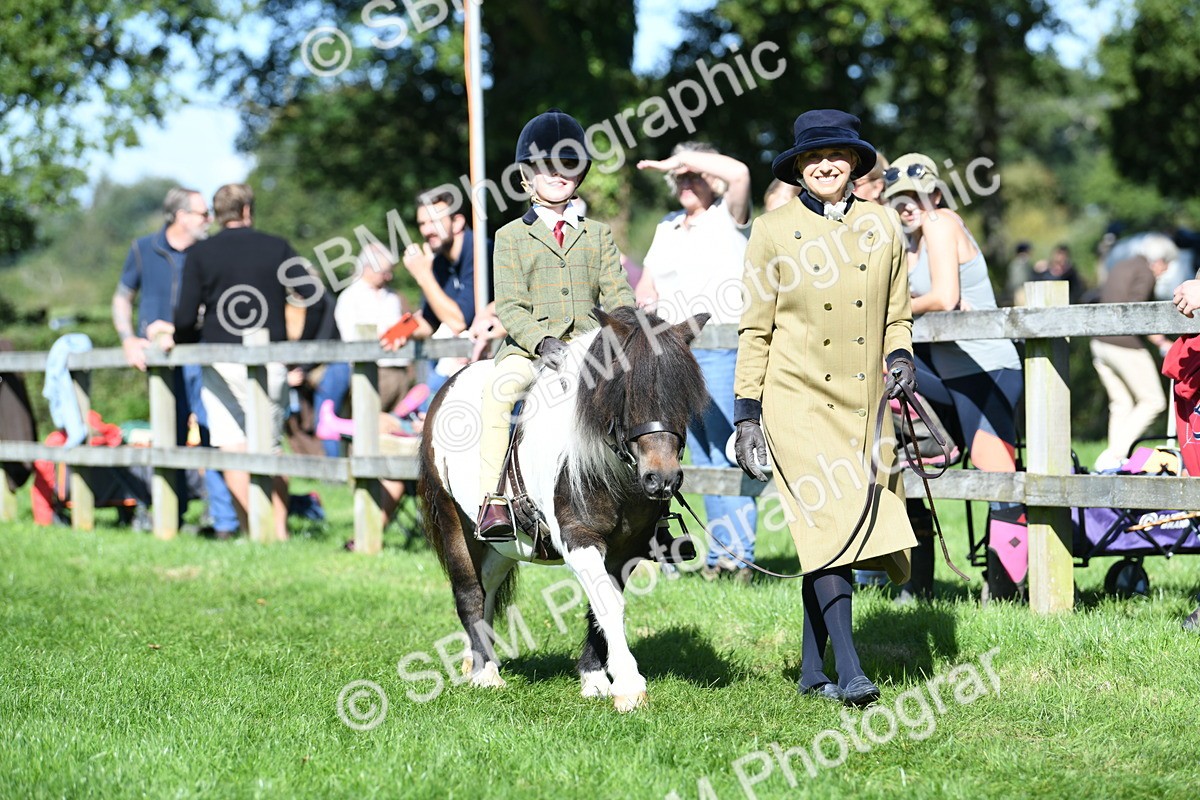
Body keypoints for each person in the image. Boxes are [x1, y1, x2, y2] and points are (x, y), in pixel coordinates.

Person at [734, 109, 917, 706]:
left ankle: (812, 673)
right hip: (797, 401)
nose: (825, 165)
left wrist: (900, 356)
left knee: (837, 530)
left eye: (836, 155)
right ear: (798, 167)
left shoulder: (884, 225)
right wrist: (746, 411)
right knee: (831, 525)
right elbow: (755, 329)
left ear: (855, 162)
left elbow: (897, 314)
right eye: (813, 157)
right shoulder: (771, 230)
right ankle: (852, 667)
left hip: (864, 406)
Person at [476, 108, 637, 540]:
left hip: (589, 350)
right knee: (498, 394)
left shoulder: (598, 234)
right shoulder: (509, 236)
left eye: (569, 166)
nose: (559, 175)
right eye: (548, 166)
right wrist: (541, 341)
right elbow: (509, 305)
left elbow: (617, 291)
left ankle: (651, 511)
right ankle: (494, 501)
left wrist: (626, 328)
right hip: (534, 351)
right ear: (528, 174)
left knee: (641, 397)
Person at [883, 152, 1024, 601]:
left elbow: (944, 297)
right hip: (945, 374)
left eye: (916, 196)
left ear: (936, 194)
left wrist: (899, 303)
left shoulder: (942, 223)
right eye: (898, 199)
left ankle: (1008, 588)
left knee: (996, 474)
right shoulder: (909, 243)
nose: (907, 206)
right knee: (897, 431)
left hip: (987, 369)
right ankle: (915, 583)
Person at [635, 142, 759, 582]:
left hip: (722, 346)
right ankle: (717, 556)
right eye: (681, 177)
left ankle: (738, 557)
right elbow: (646, 287)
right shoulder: (667, 227)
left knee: (727, 449)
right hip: (677, 353)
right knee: (700, 454)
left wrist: (682, 157)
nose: (687, 182)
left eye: (695, 175)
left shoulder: (729, 216)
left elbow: (741, 170)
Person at [171, 183, 315, 541]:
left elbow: (185, 317)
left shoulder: (200, 253)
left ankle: (253, 530)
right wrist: (299, 349)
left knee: (232, 446)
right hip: (271, 360)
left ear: (218, 215)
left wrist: (187, 343)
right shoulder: (276, 246)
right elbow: (314, 295)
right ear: (248, 211)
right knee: (270, 445)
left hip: (220, 361)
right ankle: (278, 532)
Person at [111, 186, 237, 536]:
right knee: (171, 436)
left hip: (202, 354)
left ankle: (222, 518)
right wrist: (128, 338)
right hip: (161, 363)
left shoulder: (210, 252)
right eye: (202, 213)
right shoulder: (142, 249)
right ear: (180, 216)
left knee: (214, 431)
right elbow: (122, 298)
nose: (209, 219)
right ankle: (171, 514)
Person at [1090, 234, 1178, 471]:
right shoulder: (1145, 272)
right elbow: (1138, 313)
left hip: (1098, 342)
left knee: (1122, 403)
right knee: (1154, 400)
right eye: (1167, 265)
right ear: (1158, 260)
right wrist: (1162, 343)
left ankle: (1111, 464)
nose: (1165, 271)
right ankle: (1114, 454)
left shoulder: (1121, 265)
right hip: (1122, 343)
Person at [399, 188, 494, 405]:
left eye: (434, 221)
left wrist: (423, 275)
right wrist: (396, 331)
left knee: (428, 401)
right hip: (458, 365)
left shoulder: (482, 251)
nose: (427, 230)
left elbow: (458, 321)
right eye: (422, 223)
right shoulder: (439, 262)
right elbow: (428, 321)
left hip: (490, 365)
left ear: (458, 222)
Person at [1005, 241, 1033, 306]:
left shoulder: (1014, 263)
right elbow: (1018, 280)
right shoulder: (1021, 263)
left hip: (1018, 290)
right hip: (1021, 290)